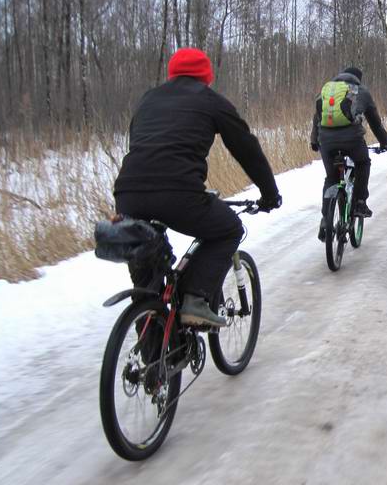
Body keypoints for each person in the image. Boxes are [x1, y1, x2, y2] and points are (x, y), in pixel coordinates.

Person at [113, 47, 282, 327]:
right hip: (178, 194)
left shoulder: (148, 99)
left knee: (147, 282)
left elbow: (138, 141)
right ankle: (195, 299)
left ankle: (152, 360)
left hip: (128, 195)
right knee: (229, 229)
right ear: (206, 76)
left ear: (172, 73)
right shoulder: (211, 101)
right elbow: (245, 148)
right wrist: (269, 193)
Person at [310, 66, 387, 241]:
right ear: (358, 79)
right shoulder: (360, 91)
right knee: (363, 163)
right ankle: (359, 203)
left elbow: (317, 118)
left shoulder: (326, 91)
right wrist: (385, 143)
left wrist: (314, 140)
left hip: (326, 140)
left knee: (332, 179)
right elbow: (375, 123)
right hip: (352, 139)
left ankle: (326, 220)